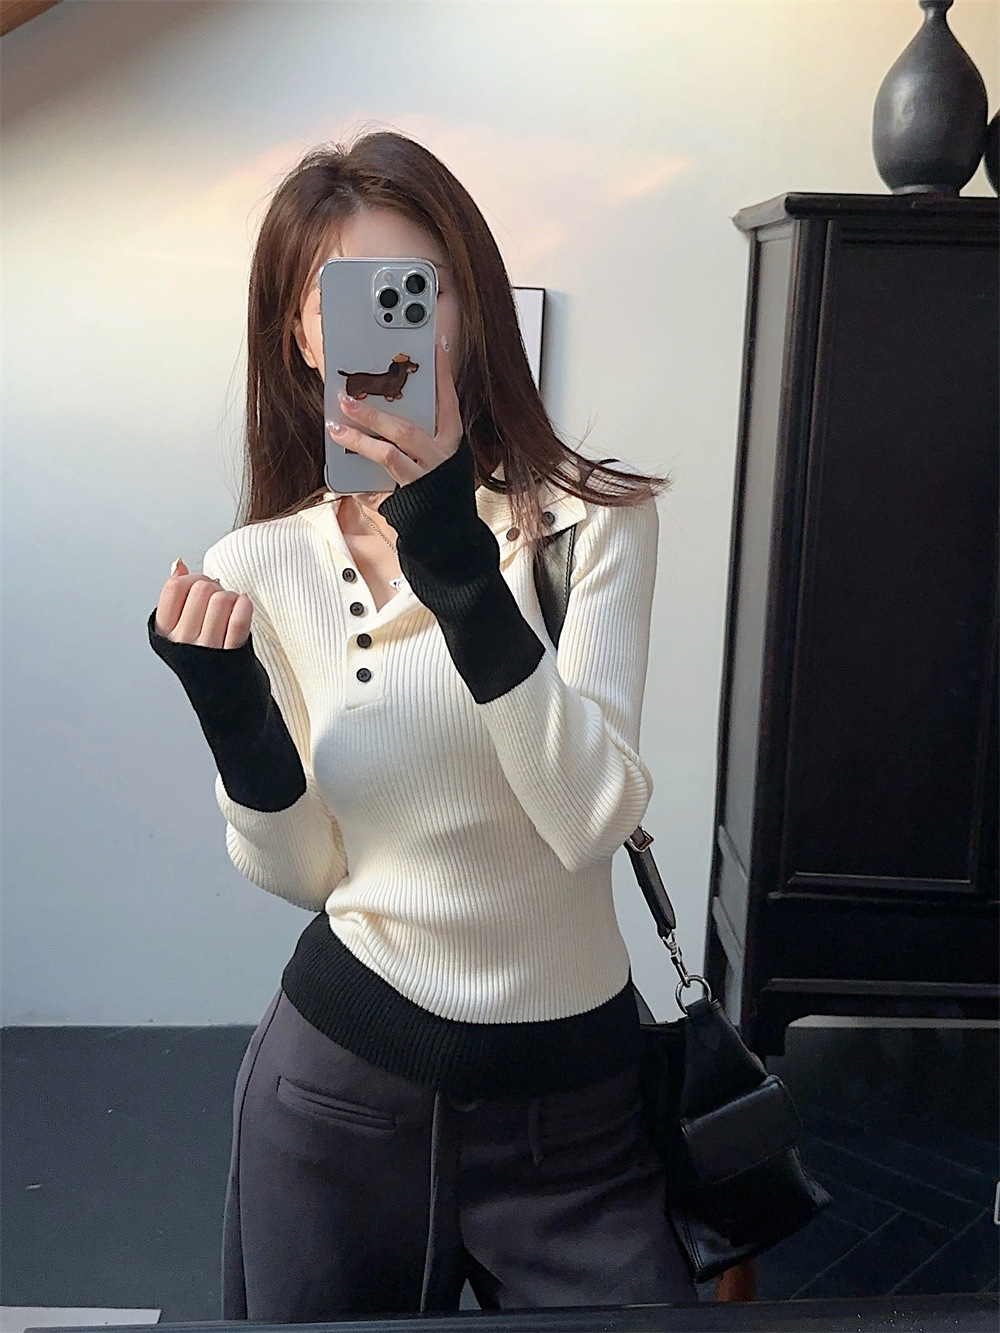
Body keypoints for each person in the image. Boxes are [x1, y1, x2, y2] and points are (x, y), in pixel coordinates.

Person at [148, 129, 696, 1319]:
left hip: (575, 1117)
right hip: (336, 1098)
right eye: (344, 301)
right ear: (301, 337)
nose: (397, 327)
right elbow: (307, 871)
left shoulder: (590, 522)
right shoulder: (258, 563)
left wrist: (453, 558)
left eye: (420, 288)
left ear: (471, 304)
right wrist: (235, 720)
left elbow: (589, 817)